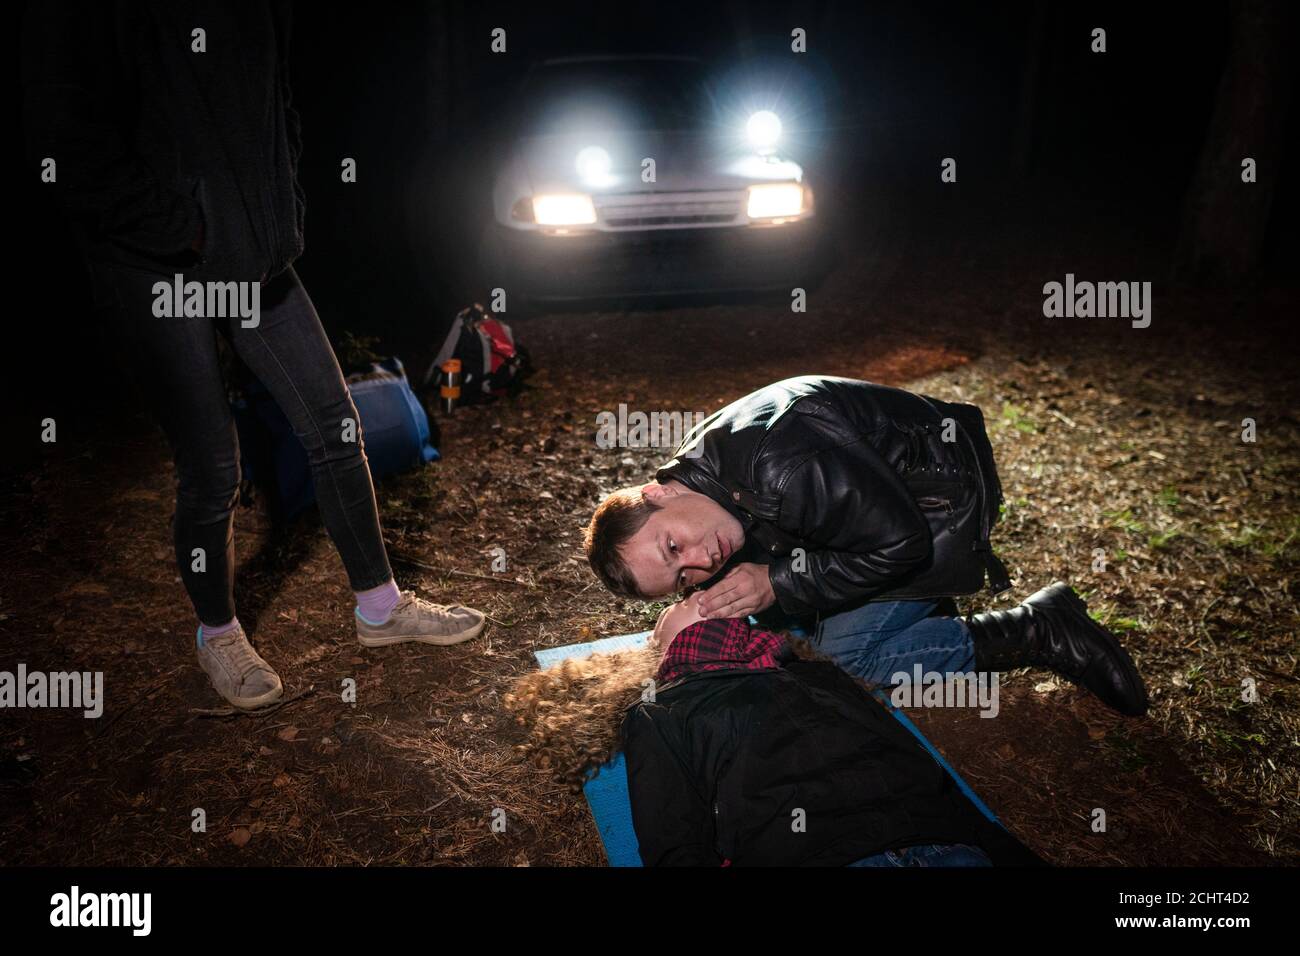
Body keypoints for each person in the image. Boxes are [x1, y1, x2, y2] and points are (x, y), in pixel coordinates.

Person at [22, 1, 484, 711]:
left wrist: (279, 210)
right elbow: (70, 134)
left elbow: (279, 101)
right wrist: (185, 227)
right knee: (211, 465)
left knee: (335, 427)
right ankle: (218, 634)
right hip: (151, 266)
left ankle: (381, 607)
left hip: (254, 255)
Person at [584, 375, 1148, 716]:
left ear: (655, 493)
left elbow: (900, 544)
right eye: (681, 578)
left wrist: (775, 581)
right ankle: (909, 612)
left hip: (940, 507)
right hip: (892, 490)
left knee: (841, 663)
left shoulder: (779, 468)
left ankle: (1036, 627)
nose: (701, 563)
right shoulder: (698, 476)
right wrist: (715, 600)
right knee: (781, 620)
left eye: (674, 547)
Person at [507, 593, 1047, 867]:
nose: (701, 598)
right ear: (662, 653)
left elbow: (924, 771)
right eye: (681, 605)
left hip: (947, 848)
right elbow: (675, 844)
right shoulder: (661, 711)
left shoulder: (818, 674)